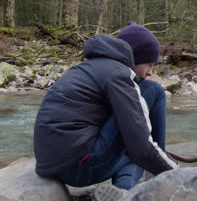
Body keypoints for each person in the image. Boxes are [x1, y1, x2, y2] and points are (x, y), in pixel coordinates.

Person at [33, 22, 177, 199]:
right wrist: (177, 174)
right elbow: (140, 148)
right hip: (79, 166)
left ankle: (122, 191)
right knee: (152, 98)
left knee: (138, 139)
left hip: (51, 164)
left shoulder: (89, 68)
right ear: (135, 57)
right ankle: (150, 178)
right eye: (149, 64)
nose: (149, 72)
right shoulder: (118, 75)